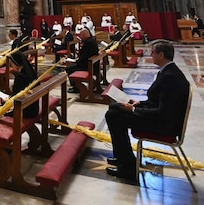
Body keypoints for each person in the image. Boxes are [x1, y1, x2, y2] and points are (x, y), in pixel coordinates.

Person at [104, 40, 190, 184]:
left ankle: (128, 167)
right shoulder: (169, 71)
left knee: (113, 116)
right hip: (163, 119)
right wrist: (139, 104)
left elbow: (163, 113)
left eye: (153, 52)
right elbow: (159, 102)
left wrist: (134, 109)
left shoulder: (170, 77)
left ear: (161, 55)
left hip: (164, 126)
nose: (150, 55)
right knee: (114, 108)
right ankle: (121, 157)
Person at [66, 27, 99, 93]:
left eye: (81, 35)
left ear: (84, 34)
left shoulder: (88, 43)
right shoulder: (91, 40)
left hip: (88, 66)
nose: (81, 37)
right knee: (72, 66)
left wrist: (76, 61)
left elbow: (84, 57)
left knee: (69, 68)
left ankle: (76, 87)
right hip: (91, 63)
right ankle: (76, 86)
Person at [8, 51, 39, 118]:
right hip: (33, 107)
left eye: (11, 63)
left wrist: (7, 99)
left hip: (24, 110)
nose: (11, 66)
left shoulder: (20, 76)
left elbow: (17, 96)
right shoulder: (30, 71)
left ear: (16, 63)